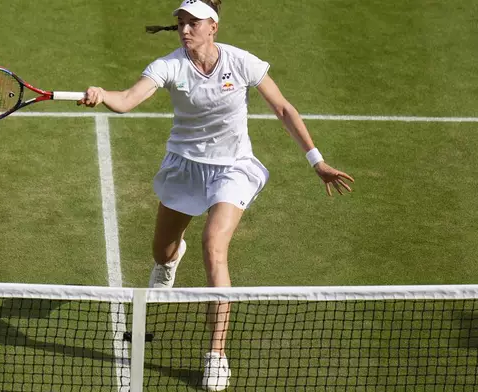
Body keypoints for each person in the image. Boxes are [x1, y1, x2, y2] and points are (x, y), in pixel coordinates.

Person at [79, 0, 354, 390]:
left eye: (194, 23)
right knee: (162, 250)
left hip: (233, 168)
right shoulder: (169, 65)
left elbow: (283, 109)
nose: (185, 30)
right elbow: (126, 100)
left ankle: (216, 355)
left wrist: (317, 161)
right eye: (181, 24)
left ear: (214, 27)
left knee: (214, 245)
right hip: (184, 167)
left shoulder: (241, 62)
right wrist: (102, 93)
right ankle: (171, 262)